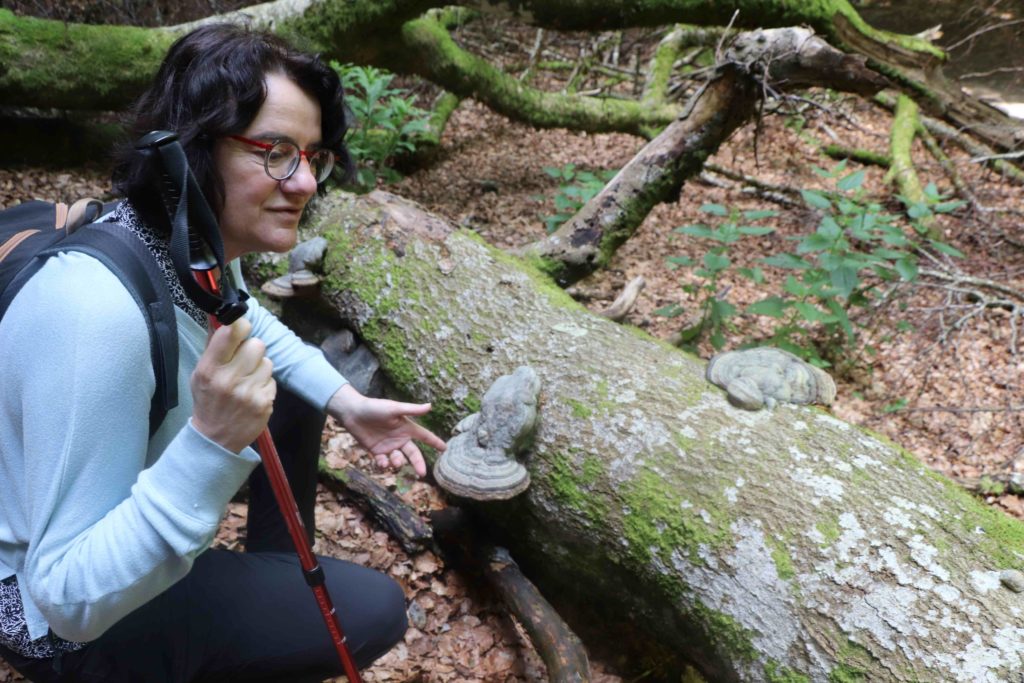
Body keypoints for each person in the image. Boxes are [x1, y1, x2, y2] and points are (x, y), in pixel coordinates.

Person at [0, 23, 446, 682]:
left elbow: (246, 318)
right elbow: (66, 600)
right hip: (52, 624)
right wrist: (209, 444)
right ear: (189, 150)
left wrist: (347, 401)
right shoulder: (93, 315)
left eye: (312, 156)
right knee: (375, 609)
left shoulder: (184, 240)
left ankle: (272, 581)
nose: (305, 184)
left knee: (290, 401)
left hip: (91, 556)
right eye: (274, 150)